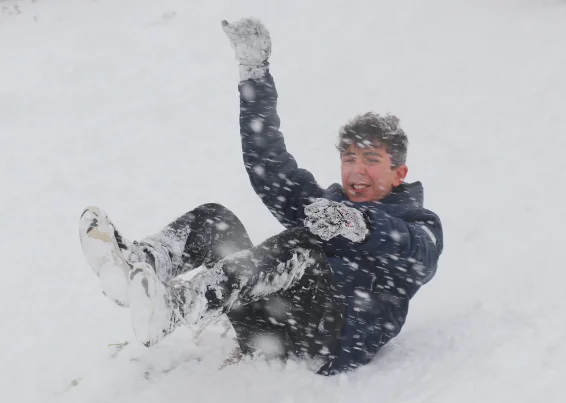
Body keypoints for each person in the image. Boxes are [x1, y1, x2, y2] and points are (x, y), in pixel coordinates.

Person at [79, 18, 443, 375]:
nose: (357, 169)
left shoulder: (417, 227)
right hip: (269, 332)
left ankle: (180, 306)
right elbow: (269, 166)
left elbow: (415, 251)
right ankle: (138, 264)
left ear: (399, 173)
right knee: (214, 220)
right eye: (349, 159)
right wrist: (254, 75)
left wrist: (361, 224)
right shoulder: (325, 211)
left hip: (325, 345)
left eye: (371, 160)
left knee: (302, 245)